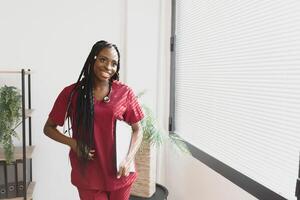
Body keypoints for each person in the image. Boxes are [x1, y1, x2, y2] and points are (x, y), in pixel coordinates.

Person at [43, 40, 144, 200]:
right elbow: (48, 128)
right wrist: (73, 143)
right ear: (93, 59)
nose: (108, 67)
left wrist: (128, 159)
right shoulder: (71, 93)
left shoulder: (125, 93)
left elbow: (138, 129)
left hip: (119, 173)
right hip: (89, 177)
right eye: (103, 59)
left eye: (114, 63)